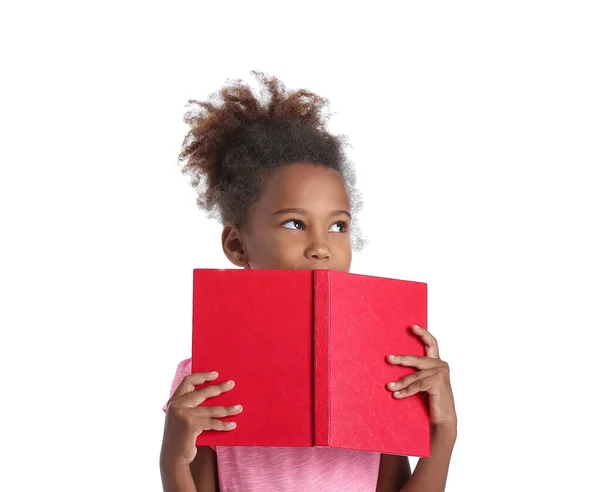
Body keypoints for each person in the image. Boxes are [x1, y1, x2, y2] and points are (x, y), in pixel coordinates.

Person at [159, 71, 457, 492]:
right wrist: (173, 461)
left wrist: (443, 434)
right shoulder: (206, 375)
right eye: (295, 223)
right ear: (236, 244)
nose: (321, 247)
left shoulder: (380, 362)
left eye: (338, 226)